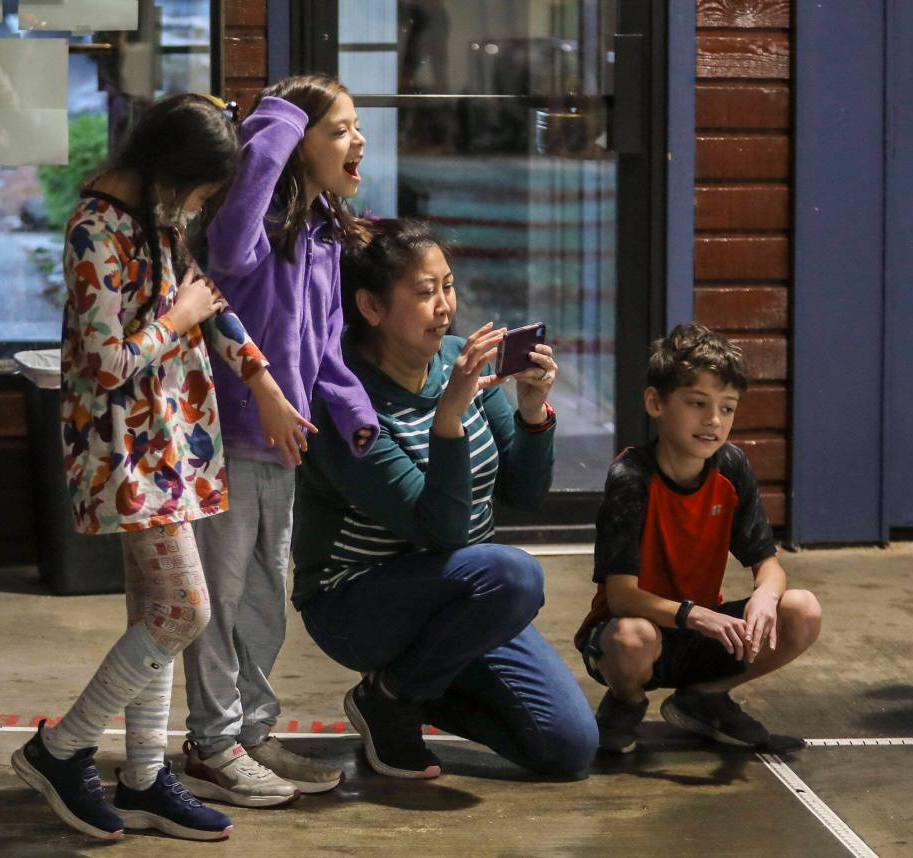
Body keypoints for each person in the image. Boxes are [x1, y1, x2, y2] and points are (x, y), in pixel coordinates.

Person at [10, 93, 313, 841]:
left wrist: (262, 379)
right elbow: (104, 362)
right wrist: (171, 322)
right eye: (200, 191)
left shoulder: (156, 219)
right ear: (168, 171)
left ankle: (145, 777)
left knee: (158, 619)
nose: (198, 208)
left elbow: (209, 302)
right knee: (186, 611)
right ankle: (60, 748)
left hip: (174, 446)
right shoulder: (93, 232)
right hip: (124, 452)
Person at [290, 217, 598, 780]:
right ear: (372, 307)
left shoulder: (458, 359)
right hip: (357, 603)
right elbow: (442, 531)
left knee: (568, 749)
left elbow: (524, 495)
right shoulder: (343, 400)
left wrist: (532, 411)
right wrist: (449, 417)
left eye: (448, 286)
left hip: (461, 597)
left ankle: (405, 689)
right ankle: (392, 698)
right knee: (515, 574)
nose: (444, 306)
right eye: (425, 292)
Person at [181, 75, 379, 806]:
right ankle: (211, 743)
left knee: (265, 598)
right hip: (228, 442)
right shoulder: (251, 222)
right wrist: (280, 119)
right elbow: (228, 256)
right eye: (339, 129)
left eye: (357, 128)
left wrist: (352, 411)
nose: (356, 141)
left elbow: (325, 351)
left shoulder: (325, 235)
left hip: (284, 448)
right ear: (293, 144)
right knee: (218, 601)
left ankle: (252, 732)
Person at [574, 323, 823, 753]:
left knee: (802, 609)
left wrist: (764, 596)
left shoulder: (731, 468)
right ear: (655, 402)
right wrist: (700, 616)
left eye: (727, 408)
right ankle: (626, 701)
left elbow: (768, 565)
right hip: (633, 635)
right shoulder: (631, 477)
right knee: (634, 637)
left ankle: (703, 697)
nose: (713, 420)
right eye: (697, 403)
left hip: (702, 631)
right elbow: (621, 597)